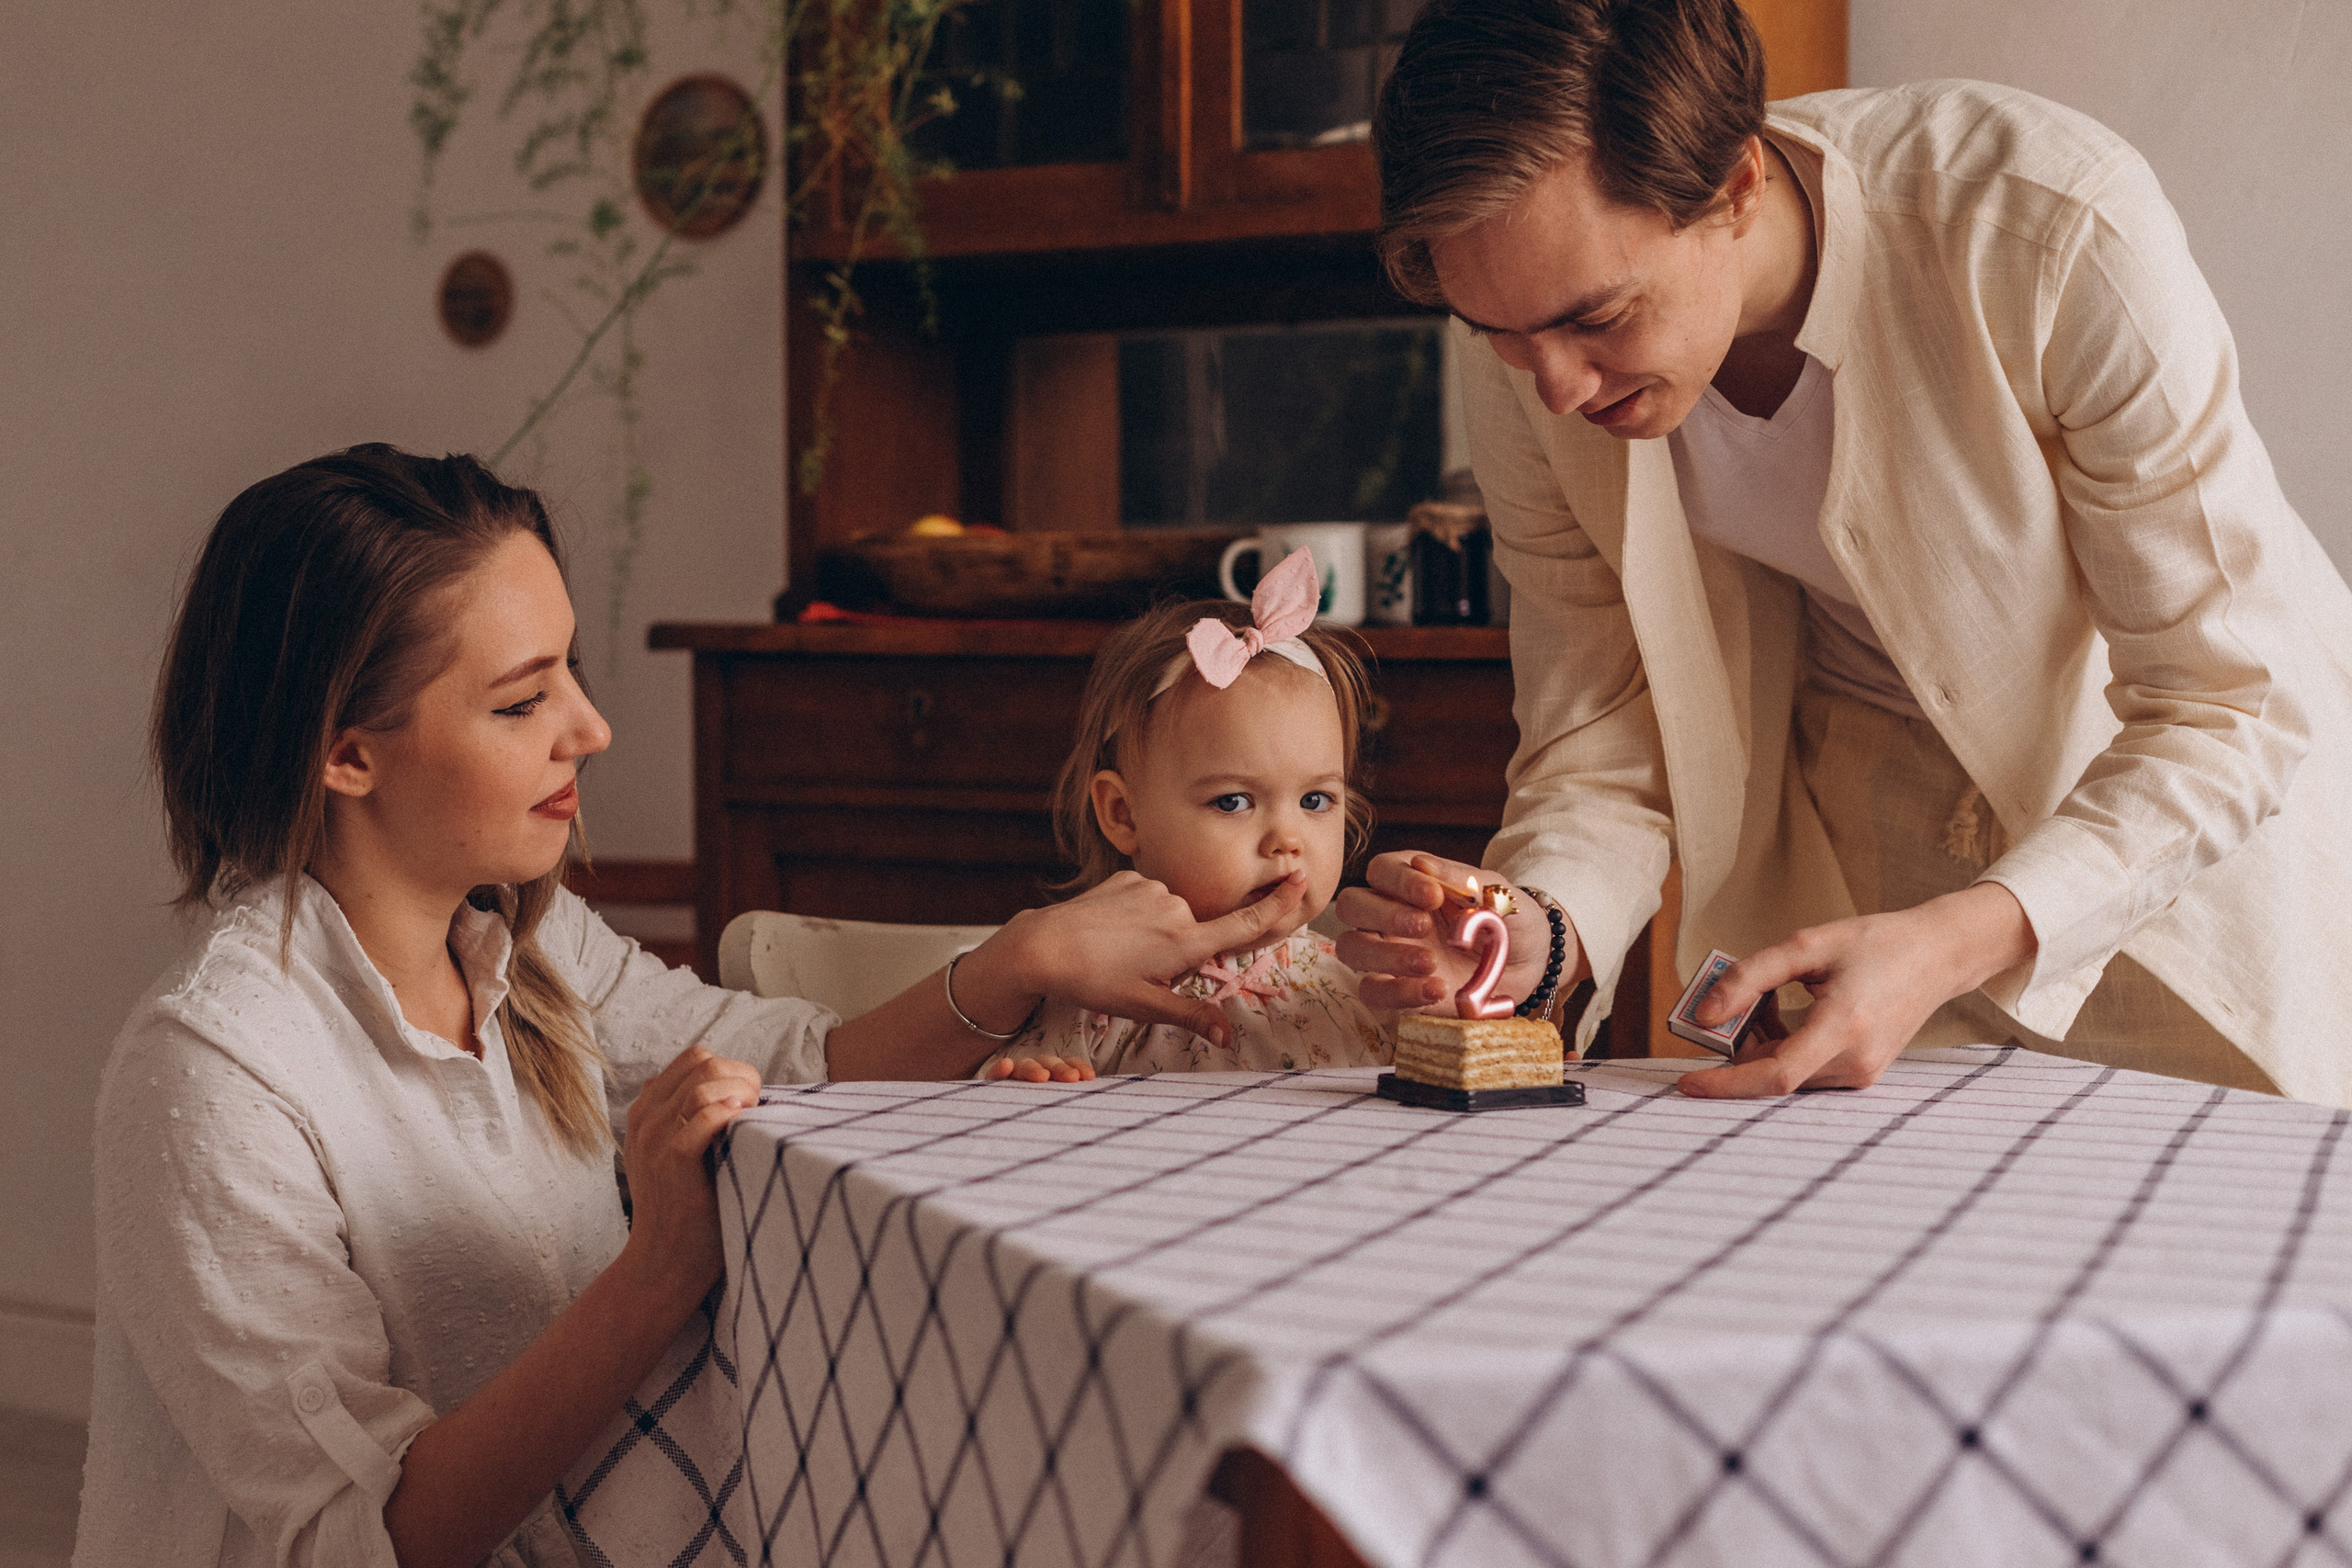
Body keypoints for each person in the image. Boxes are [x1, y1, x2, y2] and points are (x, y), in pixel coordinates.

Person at [76, 446, 1311, 1568]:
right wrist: (662, 1264)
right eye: (522, 702)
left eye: (573, 669)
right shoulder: (214, 1073)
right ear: (346, 752)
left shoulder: (529, 940)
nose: (593, 728)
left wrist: (1022, 959)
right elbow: (365, 1538)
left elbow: (796, 1057)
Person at [1338, 0, 2352, 1105]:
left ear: (1734, 186)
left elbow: (2227, 705)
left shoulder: (2048, 228)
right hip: (1866, 896)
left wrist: (1960, 935)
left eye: (1599, 318)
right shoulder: (1533, 353)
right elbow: (1597, 732)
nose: (1555, 388)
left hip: (2183, 873)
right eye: (1494, 332)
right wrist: (1540, 927)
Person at [983, 549, 1406, 1077]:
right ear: (1124, 816)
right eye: (1233, 801)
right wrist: (1031, 1084)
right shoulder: (1090, 997)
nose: (1286, 839)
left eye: (1315, 801)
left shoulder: (1365, 984)